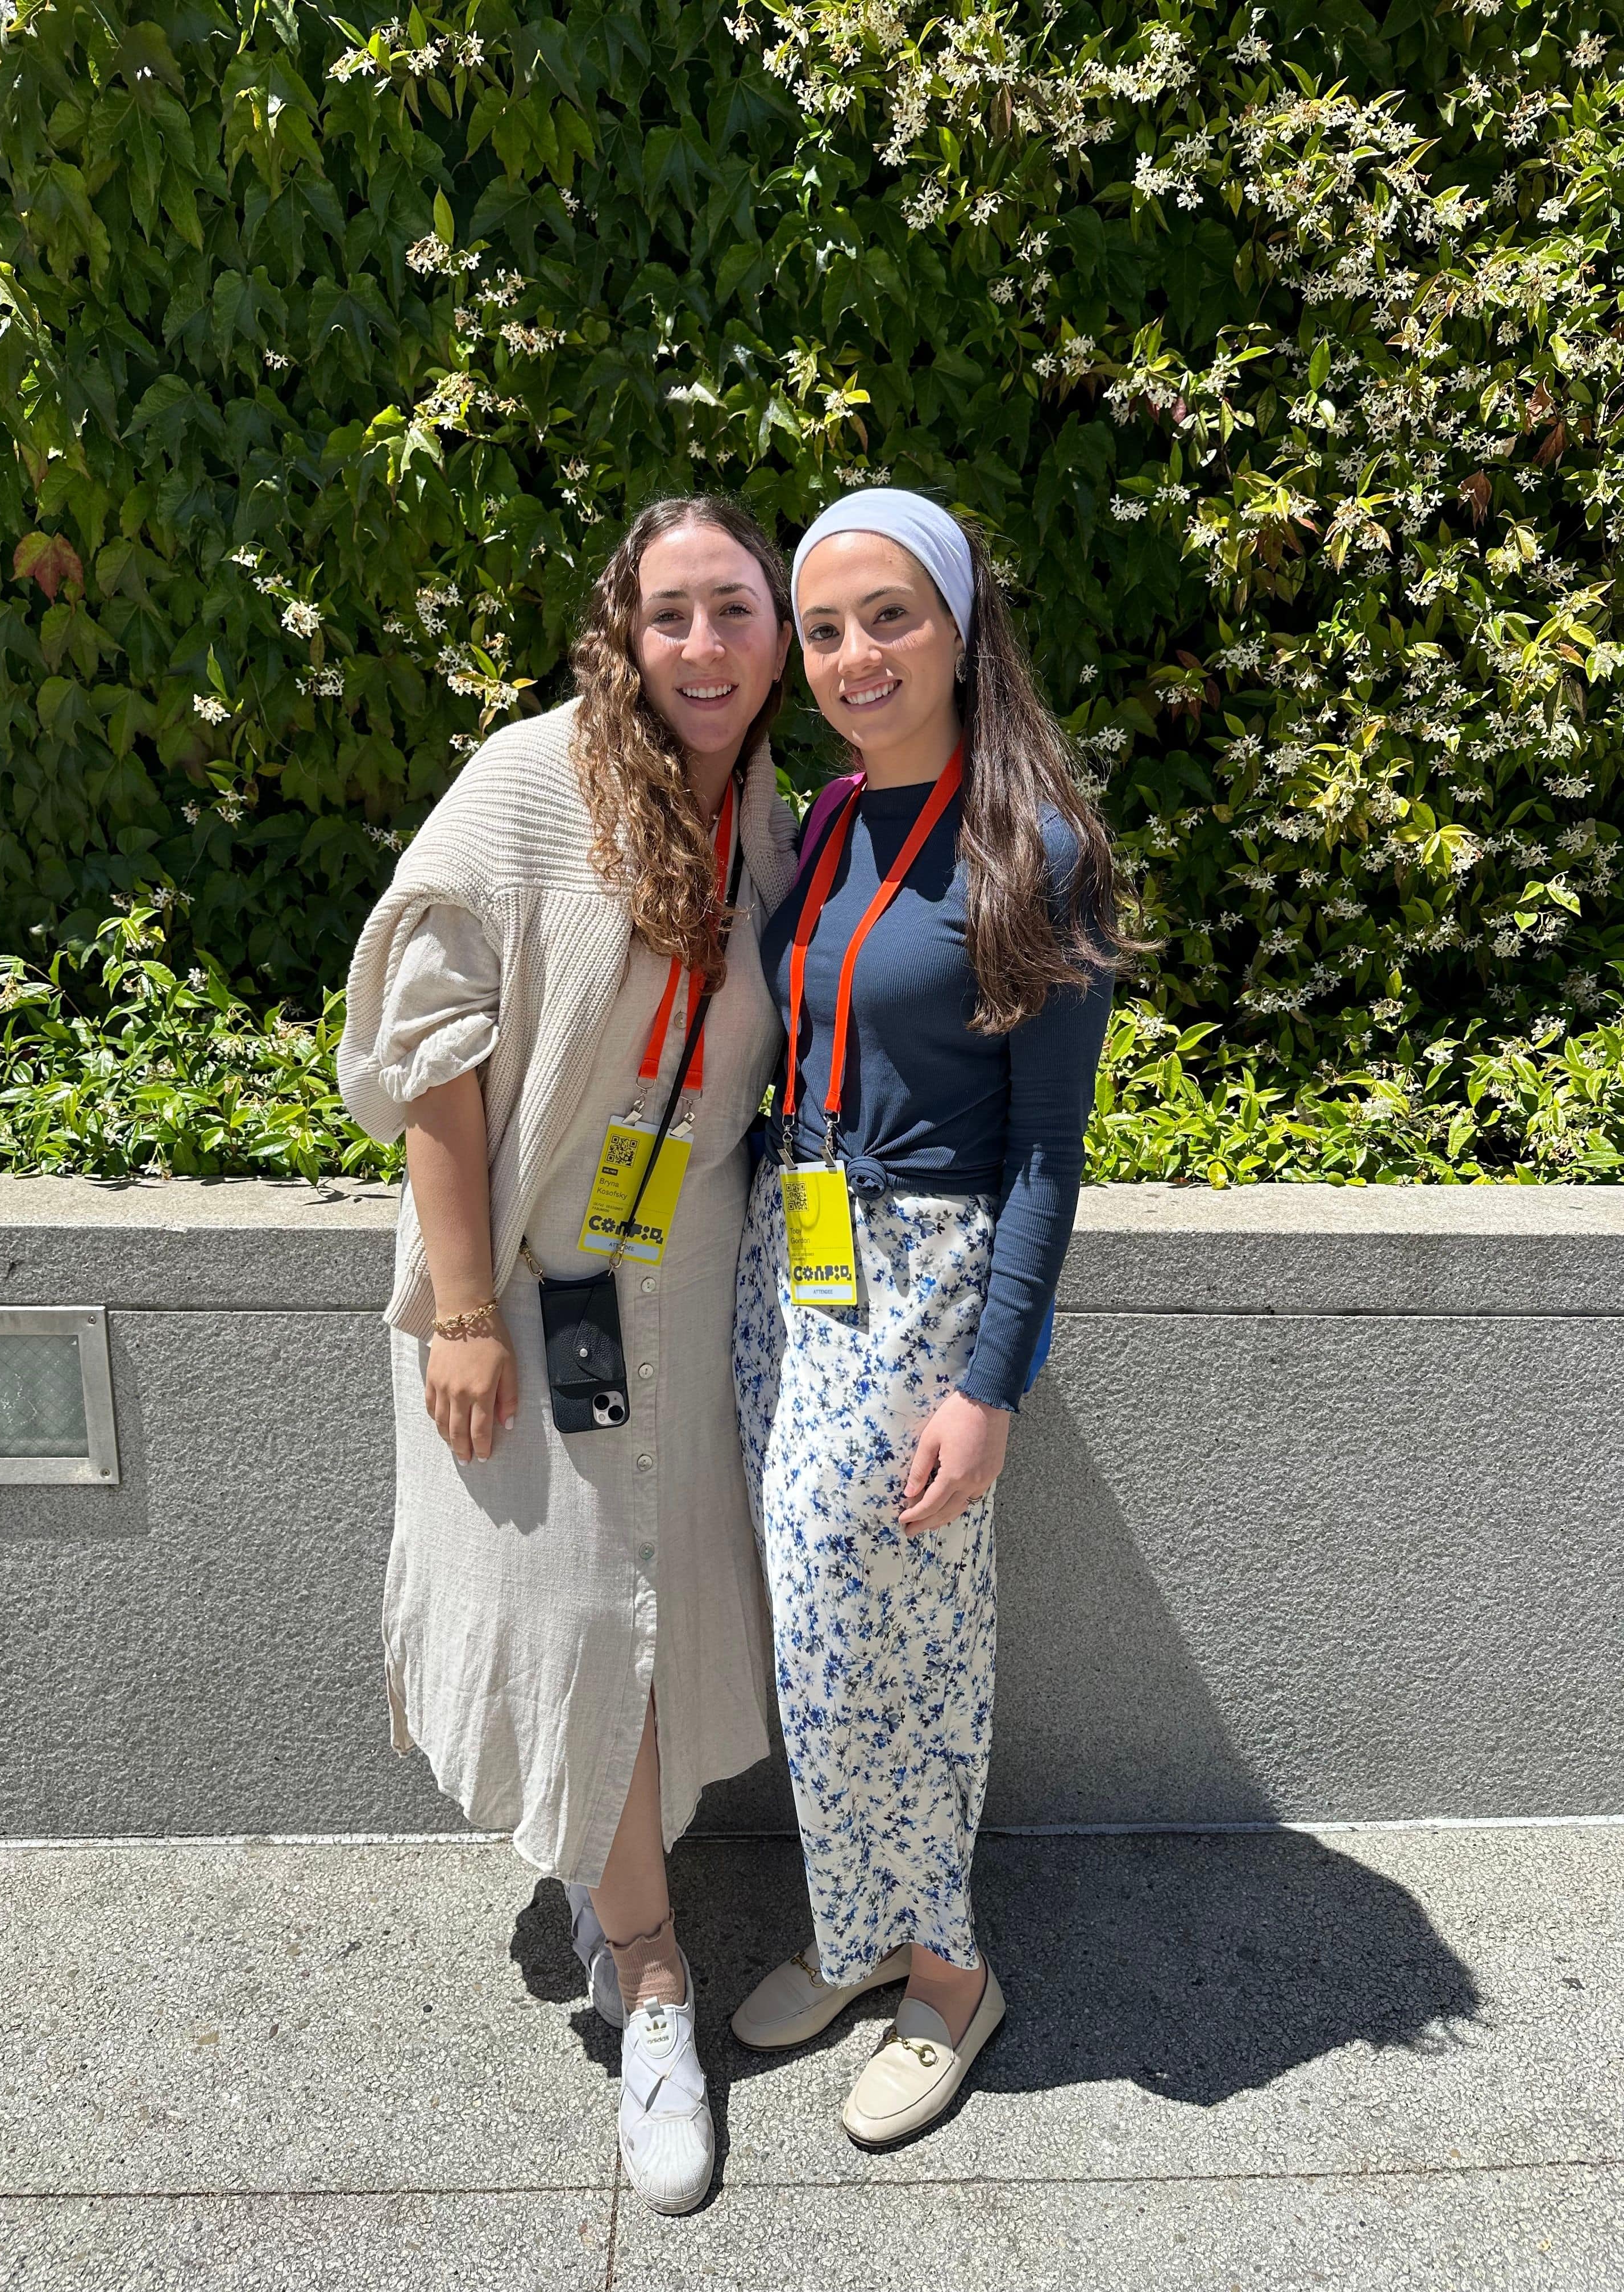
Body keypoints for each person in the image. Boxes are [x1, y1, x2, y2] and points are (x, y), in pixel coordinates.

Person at [337, 497, 799, 2215]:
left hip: (685, 1294)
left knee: (656, 1617)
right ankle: (654, 1972)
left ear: (777, 630)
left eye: (735, 611)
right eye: (669, 614)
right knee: (576, 1615)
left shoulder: (771, 822)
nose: (704, 647)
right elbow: (429, 1051)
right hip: (527, 1297)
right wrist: (463, 1311)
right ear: (623, 625)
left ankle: (630, 1913)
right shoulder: (535, 783)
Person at [729, 487, 1124, 2146]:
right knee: (819, 1637)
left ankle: (950, 1974)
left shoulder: (1036, 844)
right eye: (823, 629)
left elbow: (1047, 1154)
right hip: (796, 1256)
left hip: (928, 1280)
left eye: (889, 615)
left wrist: (992, 1384)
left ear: (964, 627)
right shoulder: (825, 820)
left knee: (896, 1635)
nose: (852, 655)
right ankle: (861, 1931)